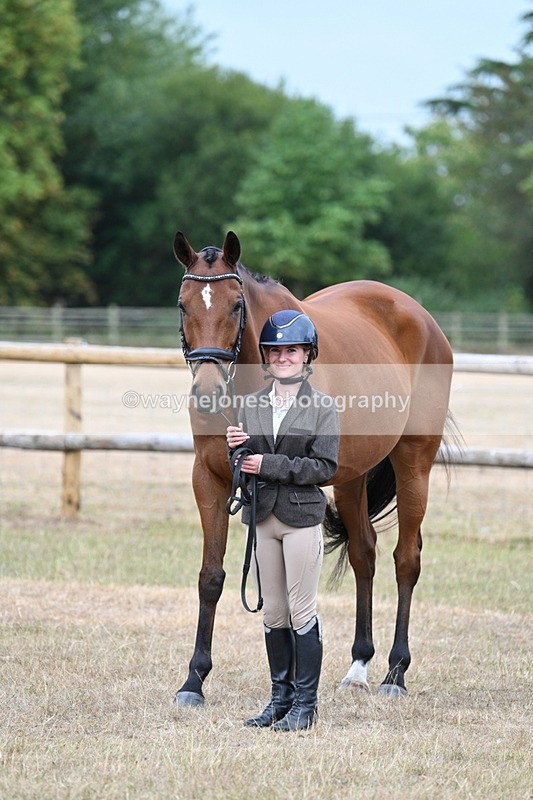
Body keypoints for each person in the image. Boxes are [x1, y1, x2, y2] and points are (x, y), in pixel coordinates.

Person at [226, 309, 340, 731]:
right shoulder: (251, 404)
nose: (282, 358)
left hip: (300, 518)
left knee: (301, 611)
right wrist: (235, 449)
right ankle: (281, 698)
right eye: (275, 351)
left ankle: (306, 706)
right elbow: (242, 464)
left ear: (307, 354)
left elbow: (325, 467)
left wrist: (266, 462)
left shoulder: (323, 407)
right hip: (261, 517)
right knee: (273, 612)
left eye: (291, 350)